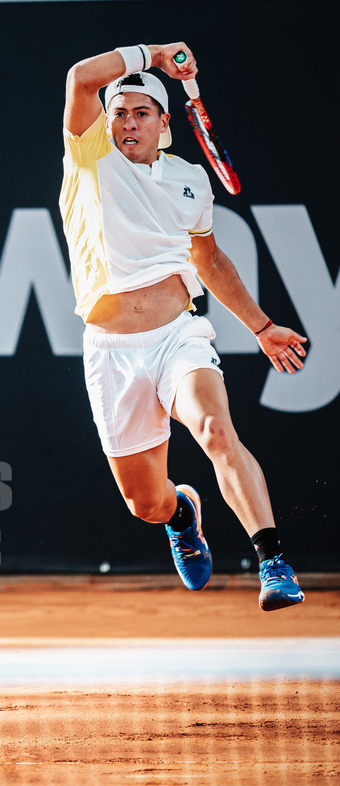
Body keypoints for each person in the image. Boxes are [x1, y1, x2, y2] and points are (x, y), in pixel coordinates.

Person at [59, 41, 306, 611]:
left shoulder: (191, 179)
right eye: (119, 112)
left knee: (216, 430)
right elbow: (80, 78)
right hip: (111, 351)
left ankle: (273, 563)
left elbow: (209, 261)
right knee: (145, 504)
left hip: (177, 336)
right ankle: (181, 514)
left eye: (142, 113)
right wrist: (153, 55)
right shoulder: (89, 157)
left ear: (164, 124)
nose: (128, 122)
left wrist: (261, 327)